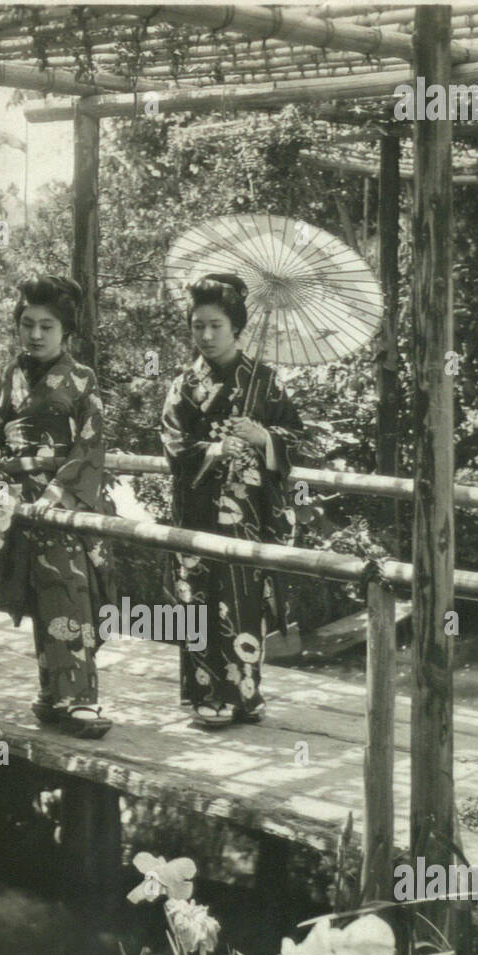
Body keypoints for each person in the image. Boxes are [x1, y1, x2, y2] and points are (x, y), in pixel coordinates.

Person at [160, 272, 309, 728]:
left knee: (242, 600)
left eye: (216, 326)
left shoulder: (265, 382)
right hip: (198, 510)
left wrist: (265, 436)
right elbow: (173, 445)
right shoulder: (183, 385)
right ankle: (206, 693)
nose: (205, 335)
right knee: (199, 600)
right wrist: (214, 449)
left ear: (236, 327)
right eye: (197, 325)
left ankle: (245, 692)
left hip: (248, 514)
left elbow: (297, 438)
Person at [0, 274, 113, 738]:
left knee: (70, 592)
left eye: (46, 326)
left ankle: (81, 699)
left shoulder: (81, 379)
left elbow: (92, 444)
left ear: (65, 332)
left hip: (64, 499)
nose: (34, 334)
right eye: (27, 323)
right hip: (15, 500)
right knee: (35, 591)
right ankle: (52, 693)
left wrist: (59, 492)